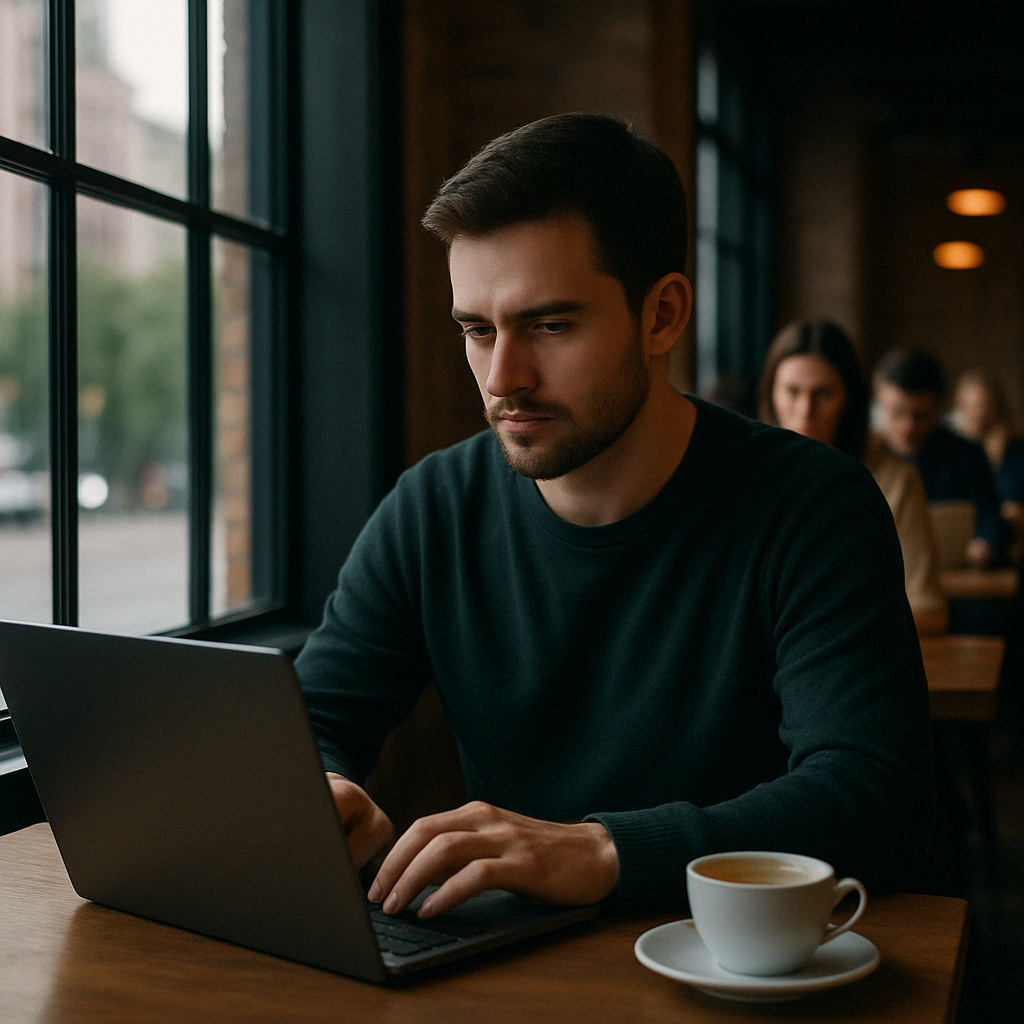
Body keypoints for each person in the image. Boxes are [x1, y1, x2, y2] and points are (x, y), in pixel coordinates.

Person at [295, 114, 934, 922]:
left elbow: (871, 796)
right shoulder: (431, 509)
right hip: (512, 966)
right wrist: (324, 786)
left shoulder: (814, 506)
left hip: (741, 962)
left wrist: (606, 852)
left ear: (662, 315)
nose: (503, 377)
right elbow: (309, 718)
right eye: (477, 330)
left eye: (550, 325)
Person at [758, 320, 948, 636]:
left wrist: (824, 635)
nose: (804, 411)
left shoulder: (894, 482)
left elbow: (929, 611)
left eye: (822, 394)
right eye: (792, 392)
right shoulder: (752, 478)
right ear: (771, 394)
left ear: (849, 398)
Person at [873, 347, 1006, 567]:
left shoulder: (967, 455)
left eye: (920, 416)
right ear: (879, 400)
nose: (908, 427)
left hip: (955, 575)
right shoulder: (864, 456)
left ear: (938, 407)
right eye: (897, 413)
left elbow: (992, 518)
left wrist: (985, 542)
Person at [952, 369, 1024, 562]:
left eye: (982, 405)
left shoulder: (1016, 452)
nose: (976, 414)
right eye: (967, 406)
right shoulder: (954, 455)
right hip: (968, 550)